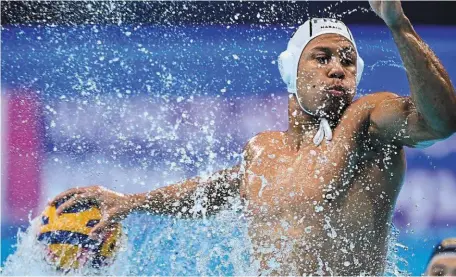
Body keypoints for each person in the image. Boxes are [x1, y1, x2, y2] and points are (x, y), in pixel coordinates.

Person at [49, 1, 456, 275]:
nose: (338, 69)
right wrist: (134, 202)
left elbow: (441, 121)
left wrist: (398, 25)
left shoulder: (367, 120)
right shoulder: (263, 149)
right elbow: (219, 190)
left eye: (348, 61)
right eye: (322, 58)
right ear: (292, 73)